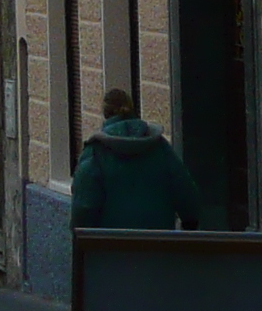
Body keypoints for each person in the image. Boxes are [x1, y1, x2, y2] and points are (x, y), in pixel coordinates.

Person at [70, 89, 201, 230]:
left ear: (105, 113)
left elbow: (83, 208)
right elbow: (185, 191)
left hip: (110, 246)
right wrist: (189, 225)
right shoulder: (160, 147)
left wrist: (82, 243)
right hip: (158, 243)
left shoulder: (95, 153)